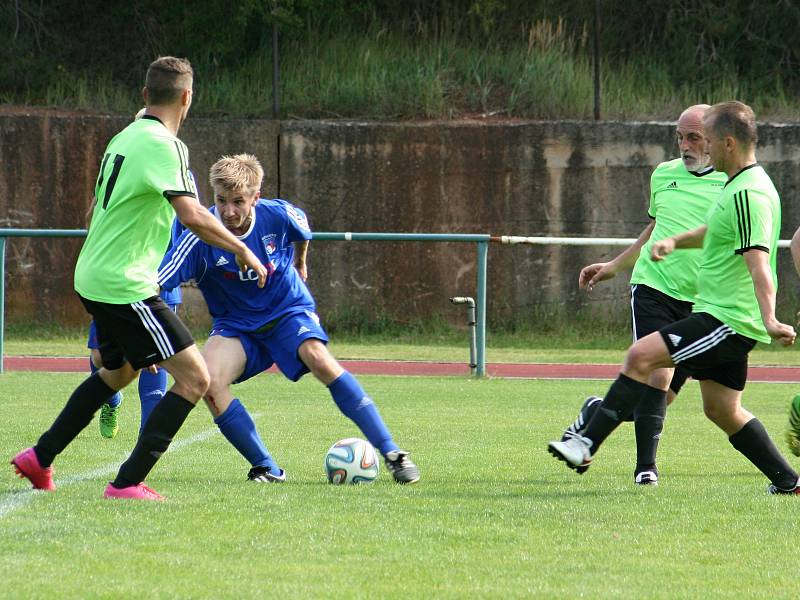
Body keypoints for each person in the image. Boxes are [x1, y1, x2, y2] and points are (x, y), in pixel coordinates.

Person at [10, 56, 268, 501]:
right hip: (123, 283)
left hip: (94, 275)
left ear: (145, 94)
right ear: (188, 98)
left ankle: (41, 456)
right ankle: (127, 483)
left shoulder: (125, 137)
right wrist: (242, 246)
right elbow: (191, 216)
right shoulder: (165, 146)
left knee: (119, 372)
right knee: (195, 380)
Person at [548, 100, 800, 494]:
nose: (693, 147)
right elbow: (713, 231)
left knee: (641, 357)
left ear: (728, 143)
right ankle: (788, 481)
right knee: (721, 408)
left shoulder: (749, 193)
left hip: (727, 319)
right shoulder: (737, 184)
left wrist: (770, 319)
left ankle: (585, 443)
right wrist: (674, 241)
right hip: (722, 314)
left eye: (706, 139)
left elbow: (759, 263)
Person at [157, 153, 420, 484]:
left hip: (286, 311)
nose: (228, 212)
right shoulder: (198, 238)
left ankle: (393, 453)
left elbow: (303, 228)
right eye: (221, 201)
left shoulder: (278, 215)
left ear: (256, 196)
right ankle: (266, 467)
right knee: (208, 382)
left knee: (318, 358)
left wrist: (300, 261)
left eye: (238, 201)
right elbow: (157, 281)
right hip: (236, 327)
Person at [560, 105, 727, 485]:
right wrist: (615, 267)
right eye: (679, 137)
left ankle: (598, 410)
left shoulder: (732, 184)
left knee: (661, 398)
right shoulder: (663, 174)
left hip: (702, 302)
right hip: (654, 288)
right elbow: (655, 228)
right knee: (657, 375)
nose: (684, 145)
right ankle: (645, 469)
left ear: (715, 140)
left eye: (693, 138)